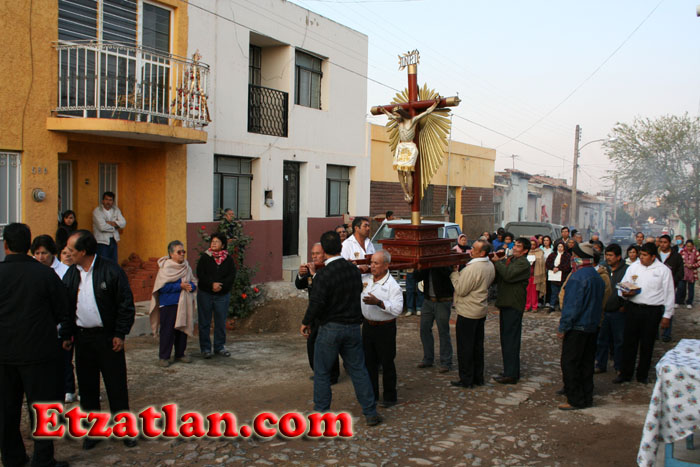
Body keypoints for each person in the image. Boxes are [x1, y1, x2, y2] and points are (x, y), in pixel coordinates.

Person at [0, 224, 72, 467]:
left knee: (6, 410)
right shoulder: (45, 275)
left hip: (4, 354)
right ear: (29, 246)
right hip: (39, 351)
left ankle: (12, 457)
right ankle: (43, 458)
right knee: (42, 407)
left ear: (6, 245)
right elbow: (63, 310)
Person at [63, 230, 137, 449]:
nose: (67, 252)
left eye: (71, 249)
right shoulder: (71, 274)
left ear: (83, 251)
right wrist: (67, 334)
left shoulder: (111, 271)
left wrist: (120, 333)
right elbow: (65, 307)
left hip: (108, 338)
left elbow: (125, 304)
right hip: (83, 339)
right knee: (87, 388)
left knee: (116, 386)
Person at [300, 231, 382, 426]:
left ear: (324, 250)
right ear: (340, 246)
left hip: (330, 327)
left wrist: (306, 321)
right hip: (352, 327)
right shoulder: (353, 270)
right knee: (359, 370)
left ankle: (321, 414)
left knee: (322, 372)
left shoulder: (324, 274)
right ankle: (370, 412)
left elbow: (317, 302)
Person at [614, 242, 675, 384]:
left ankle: (642, 375)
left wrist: (667, 315)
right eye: (640, 254)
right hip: (633, 308)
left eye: (645, 255)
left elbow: (669, 294)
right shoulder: (633, 267)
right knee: (629, 342)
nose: (641, 257)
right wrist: (624, 293)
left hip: (652, 311)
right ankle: (625, 374)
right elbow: (622, 284)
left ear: (653, 257)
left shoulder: (663, 270)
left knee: (647, 344)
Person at [557, 242, 605, 410]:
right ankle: (586, 397)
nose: (572, 258)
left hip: (577, 327)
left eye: (574, 255)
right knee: (586, 363)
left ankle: (575, 399)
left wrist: (563, 327)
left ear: (579, 257)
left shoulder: (577, 277)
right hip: (592, 326)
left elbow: (573, 306)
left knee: (570, 363)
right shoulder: (597, 276)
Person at [30, 235, 75, 403]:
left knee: (64, 360)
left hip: (61, 325)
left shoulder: (64, 271)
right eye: (37, 253)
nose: (40, 257)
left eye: (44, 253)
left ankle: (68, 389)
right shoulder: (32, 271)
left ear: (52, 253)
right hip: (41, 326)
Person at [449, 240, 496, 388]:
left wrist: (454, 273)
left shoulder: (473, 268)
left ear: (482, 253)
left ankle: (466, 379)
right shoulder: (489, 264)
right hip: (479, 309)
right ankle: (477, 377)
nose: (471, 251)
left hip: (468, 311)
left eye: (475, 249)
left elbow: (461, 289)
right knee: (477, 346)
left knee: (465, 347)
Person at [361, 250, 403, 407]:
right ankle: (372, 394)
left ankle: (390, 397)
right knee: (369, 362)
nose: (372, 266)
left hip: (385, 328)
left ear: (386, 266)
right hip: (368, 326)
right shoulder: (366, 279)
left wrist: (379, 303)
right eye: (371, 262)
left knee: (387, 363)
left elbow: (397, 309)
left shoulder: (393, 286)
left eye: (376, 263)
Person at [379, 98, 440, 202]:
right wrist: (384, 111)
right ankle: (405, 193)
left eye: (397, 115)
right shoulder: (399, 121)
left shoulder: (412, 121)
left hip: (410, 147)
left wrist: (435, 104)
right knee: (399, 171)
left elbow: (426, 112)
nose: (395, 117)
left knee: (408, 172)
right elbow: (390, 116)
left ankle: (411, 194)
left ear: (401, 114)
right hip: (401, 147)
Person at [296, 243, 340, 384]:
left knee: (330, 346)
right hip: (315, 315)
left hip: (329, 315)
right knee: (312, 344)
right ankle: (319, 372)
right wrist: (301, 274)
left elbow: (323, 289)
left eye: (317, 253)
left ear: (325, 254)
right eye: (312, 254)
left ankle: (332, 376)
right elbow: (300, 285)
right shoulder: (311, 269)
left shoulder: (329, 270)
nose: (314, 257)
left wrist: (314, 274)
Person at [149, 240, 197, 367]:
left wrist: (190, 286)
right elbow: (161, 288)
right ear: (171, 254)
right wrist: (179, 286)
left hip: (183, 303)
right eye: (179, 252)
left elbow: (193, 282)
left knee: (182, 330)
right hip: (169, 303)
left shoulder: (186, 266)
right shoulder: (166, 268)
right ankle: (164, 357)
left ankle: (180, 354)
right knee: (167, 331)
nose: (182, 254)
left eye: (183, 251)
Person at [491, 237, 531, 384]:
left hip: (513, 305)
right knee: (506, 339)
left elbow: (508, 275)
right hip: (506, 303)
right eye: (515, 245)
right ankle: (509, 369)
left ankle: (511, 374)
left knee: (511, 340)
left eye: (519, 246)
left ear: (525, 250)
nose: (514, 248)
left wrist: (498, 262)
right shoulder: (512, 259)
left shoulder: (523, 263)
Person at [196, 232, 236, 359]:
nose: (213, 243)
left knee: (220, 322)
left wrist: (221, 286)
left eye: (217, 242)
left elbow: (231, 276)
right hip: (205, 294)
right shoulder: (205, 257)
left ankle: (219, 347)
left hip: (222, 295)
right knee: (204, 322)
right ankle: (206, 349)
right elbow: (200, 274)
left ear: (223, 245)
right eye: (212, 241)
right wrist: (211, 284)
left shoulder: (228, 259)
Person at [595, 244, 628, 376]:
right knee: (602, 340)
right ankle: (600, 364)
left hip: (618, 310)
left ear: (618, 257)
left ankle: (619, 366)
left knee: (619, 340)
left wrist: (624, 306)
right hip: (604, 310)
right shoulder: (604, 270)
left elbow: (629, 289)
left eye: (610, 255)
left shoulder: (626, 270)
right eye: (606, 255)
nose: (608, 258)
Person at [415, 266, 454, 373]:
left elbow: (448, 272)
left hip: (443, 300)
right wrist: (419, 268)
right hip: (428, 300)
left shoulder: (445, 261)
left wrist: (434, 264)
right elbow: (417, 277)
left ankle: (446, 362)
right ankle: (428, 358)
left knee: (443, 331)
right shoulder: (427, 264)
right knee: (424, 329)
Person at [658, 234, 683, 342]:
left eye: (665, 242)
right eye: (661, 242)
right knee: (656, 311)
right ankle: (655, 333)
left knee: (668, 309)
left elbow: (680, 272)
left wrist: (672, 281)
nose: (663, 244)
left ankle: (666, 334)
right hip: (656, 288)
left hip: (670, 287)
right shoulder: (655, 255)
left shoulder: (676, 256)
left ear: (669, 243)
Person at [92, 191, 126, 263]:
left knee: (113, 263)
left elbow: (123, 223)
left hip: (113, 239)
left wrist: (109, 223)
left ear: (113, 201)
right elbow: (102, 227)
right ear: (102, 200)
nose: (108, 202)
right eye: (106, 199)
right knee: (103, 263)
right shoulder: (97, 211)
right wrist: (116, 226)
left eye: (110, 200)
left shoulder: (116, 210)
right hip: (101, 241)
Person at [545, 242, 571, 312]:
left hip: (563, 277)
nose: (560, 248)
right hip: (554, 277)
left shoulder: (567, 255)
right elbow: (547, 263)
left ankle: (561, 305)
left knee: (562, 292)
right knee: (554, 292)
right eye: (559, 246)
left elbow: (568, 266)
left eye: (561, 247)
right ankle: (552, 305)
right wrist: (553, 268)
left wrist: (559, 268)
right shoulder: (552, 255)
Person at [525, 237, 545, 312]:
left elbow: (542, 263)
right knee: (527, 291)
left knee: (534, 292)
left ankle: (534, 306)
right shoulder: (526, 252)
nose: (532, 246)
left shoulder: (540, 252)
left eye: (534, 244)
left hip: (536, 274)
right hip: (527, 274)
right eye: (531, 244)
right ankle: (527, 306)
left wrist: (536, 261)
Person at [678, 240, 700, 310]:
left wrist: (692, 265)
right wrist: (685, 264)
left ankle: (689, 302)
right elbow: (679, 261)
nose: (689, 248)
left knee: (691, 288)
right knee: (681, 287)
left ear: (693, 246)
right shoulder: (682, 252)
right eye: (687, 246)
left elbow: (699, 262)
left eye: (690, 246)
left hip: (693, 273)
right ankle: (679, 301)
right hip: (683, 272)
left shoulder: (696, 253)